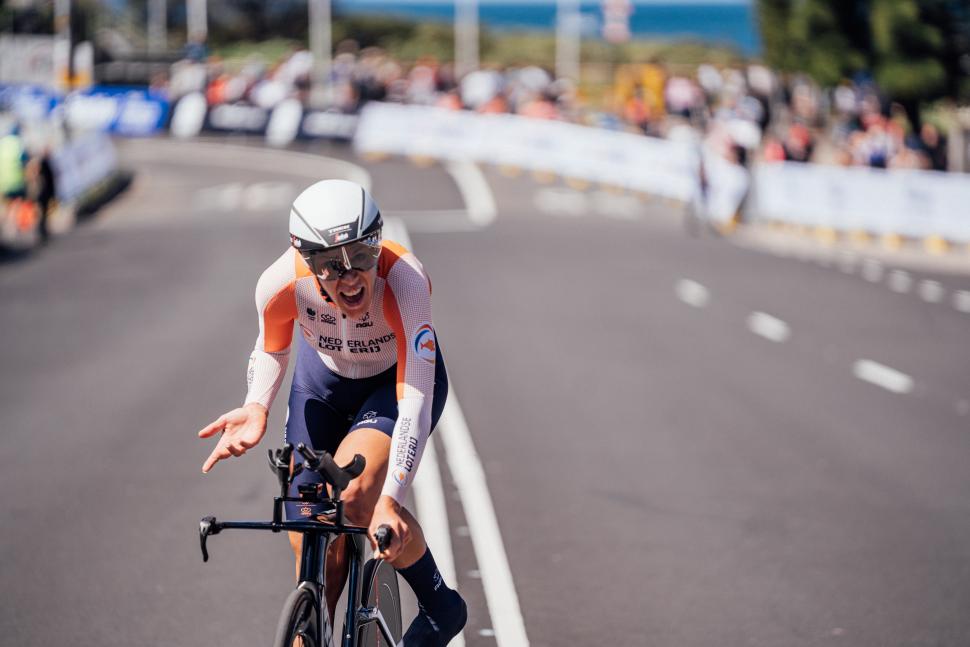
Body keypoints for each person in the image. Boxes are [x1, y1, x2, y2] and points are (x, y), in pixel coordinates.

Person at [198, 180, 467, 646]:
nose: (350, 277)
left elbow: (416, 401)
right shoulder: (280, 283)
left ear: (377, 243)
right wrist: (256, 405)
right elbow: (272, 346)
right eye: (329, 265)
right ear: (305, 258)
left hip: (394, 387)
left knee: (359, 498)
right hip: (321, 386)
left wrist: (393, 496)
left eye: (362, 256)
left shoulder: (404, 280)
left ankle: (442, 606)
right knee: (310, 519)